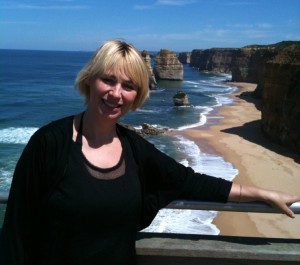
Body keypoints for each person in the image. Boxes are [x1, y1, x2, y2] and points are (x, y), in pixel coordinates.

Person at [0, 39, 299, 265]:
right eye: (108, 80)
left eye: (128, 86)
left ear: (137, 96)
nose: (116, 94)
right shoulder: (48, 144)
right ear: (90, 79)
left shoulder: (135, 149)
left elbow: (191, 181)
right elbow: (15, 231)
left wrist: (260, 193)